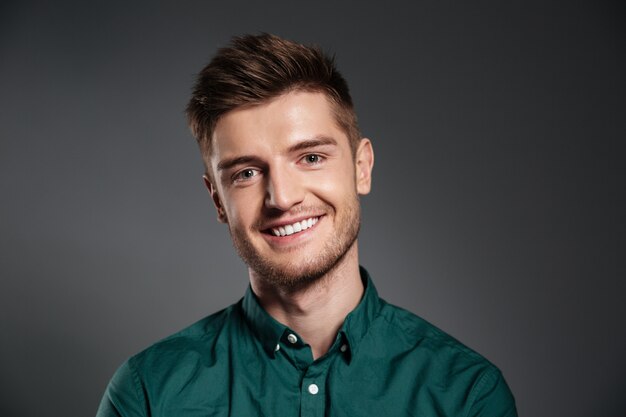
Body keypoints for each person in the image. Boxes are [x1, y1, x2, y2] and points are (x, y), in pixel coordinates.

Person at [96, 33, 517, 417]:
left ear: (361, 167)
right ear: (217, 201)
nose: (282, 197)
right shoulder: (147, 394)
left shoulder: (466, 396)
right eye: (245, 173)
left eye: (310, 158)